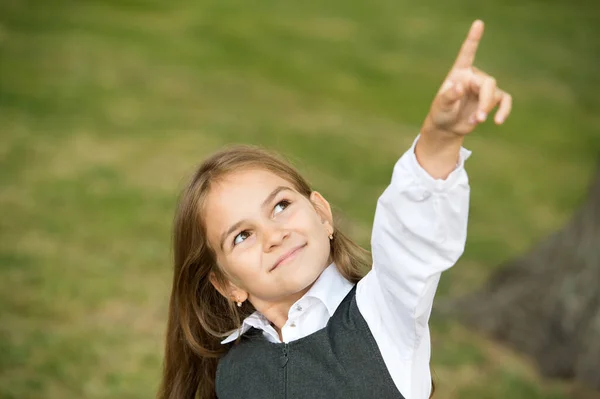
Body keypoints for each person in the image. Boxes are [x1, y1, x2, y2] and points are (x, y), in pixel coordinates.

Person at [157, 19, 512, 399]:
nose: (274, 236)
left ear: (322, 214)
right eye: (242, 235)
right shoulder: (233, 369)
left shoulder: (383, 314)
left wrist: (440, 138)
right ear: (228, 284)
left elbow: (411, 237)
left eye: (280, 206)